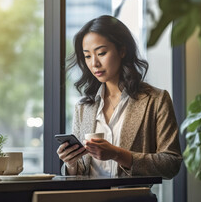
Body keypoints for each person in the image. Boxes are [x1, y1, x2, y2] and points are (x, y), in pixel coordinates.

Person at [57, 15, 182, 179]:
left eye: (101, 53)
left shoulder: (156, 100)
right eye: (87, 56)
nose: (94, 63)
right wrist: (71, 163)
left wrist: (118, 154)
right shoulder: (83, 107)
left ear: (122, 50)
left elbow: (171, 164)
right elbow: (81, 170)